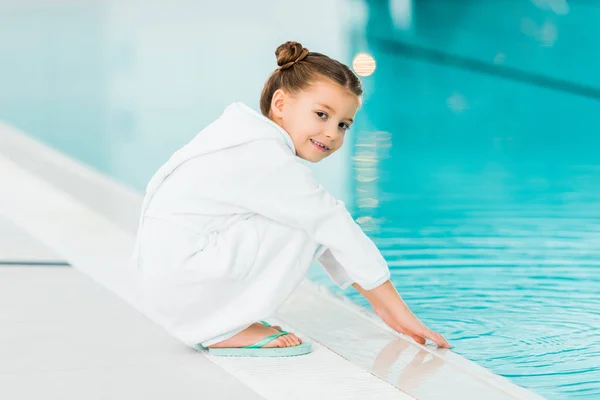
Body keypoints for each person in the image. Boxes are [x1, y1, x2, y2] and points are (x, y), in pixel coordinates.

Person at [132, 41, 451, 357]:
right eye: (321, 114)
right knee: (316, 220)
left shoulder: (246, 137)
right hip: (185, 289)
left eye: (343, 125)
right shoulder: (263, 157)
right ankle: (222, 328)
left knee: (313, 218)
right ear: (280, 104)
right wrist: (396, 310)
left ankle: (218, 320)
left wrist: (380, 302)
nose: (332, 133)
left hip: (173, 285)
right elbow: (330, 223)